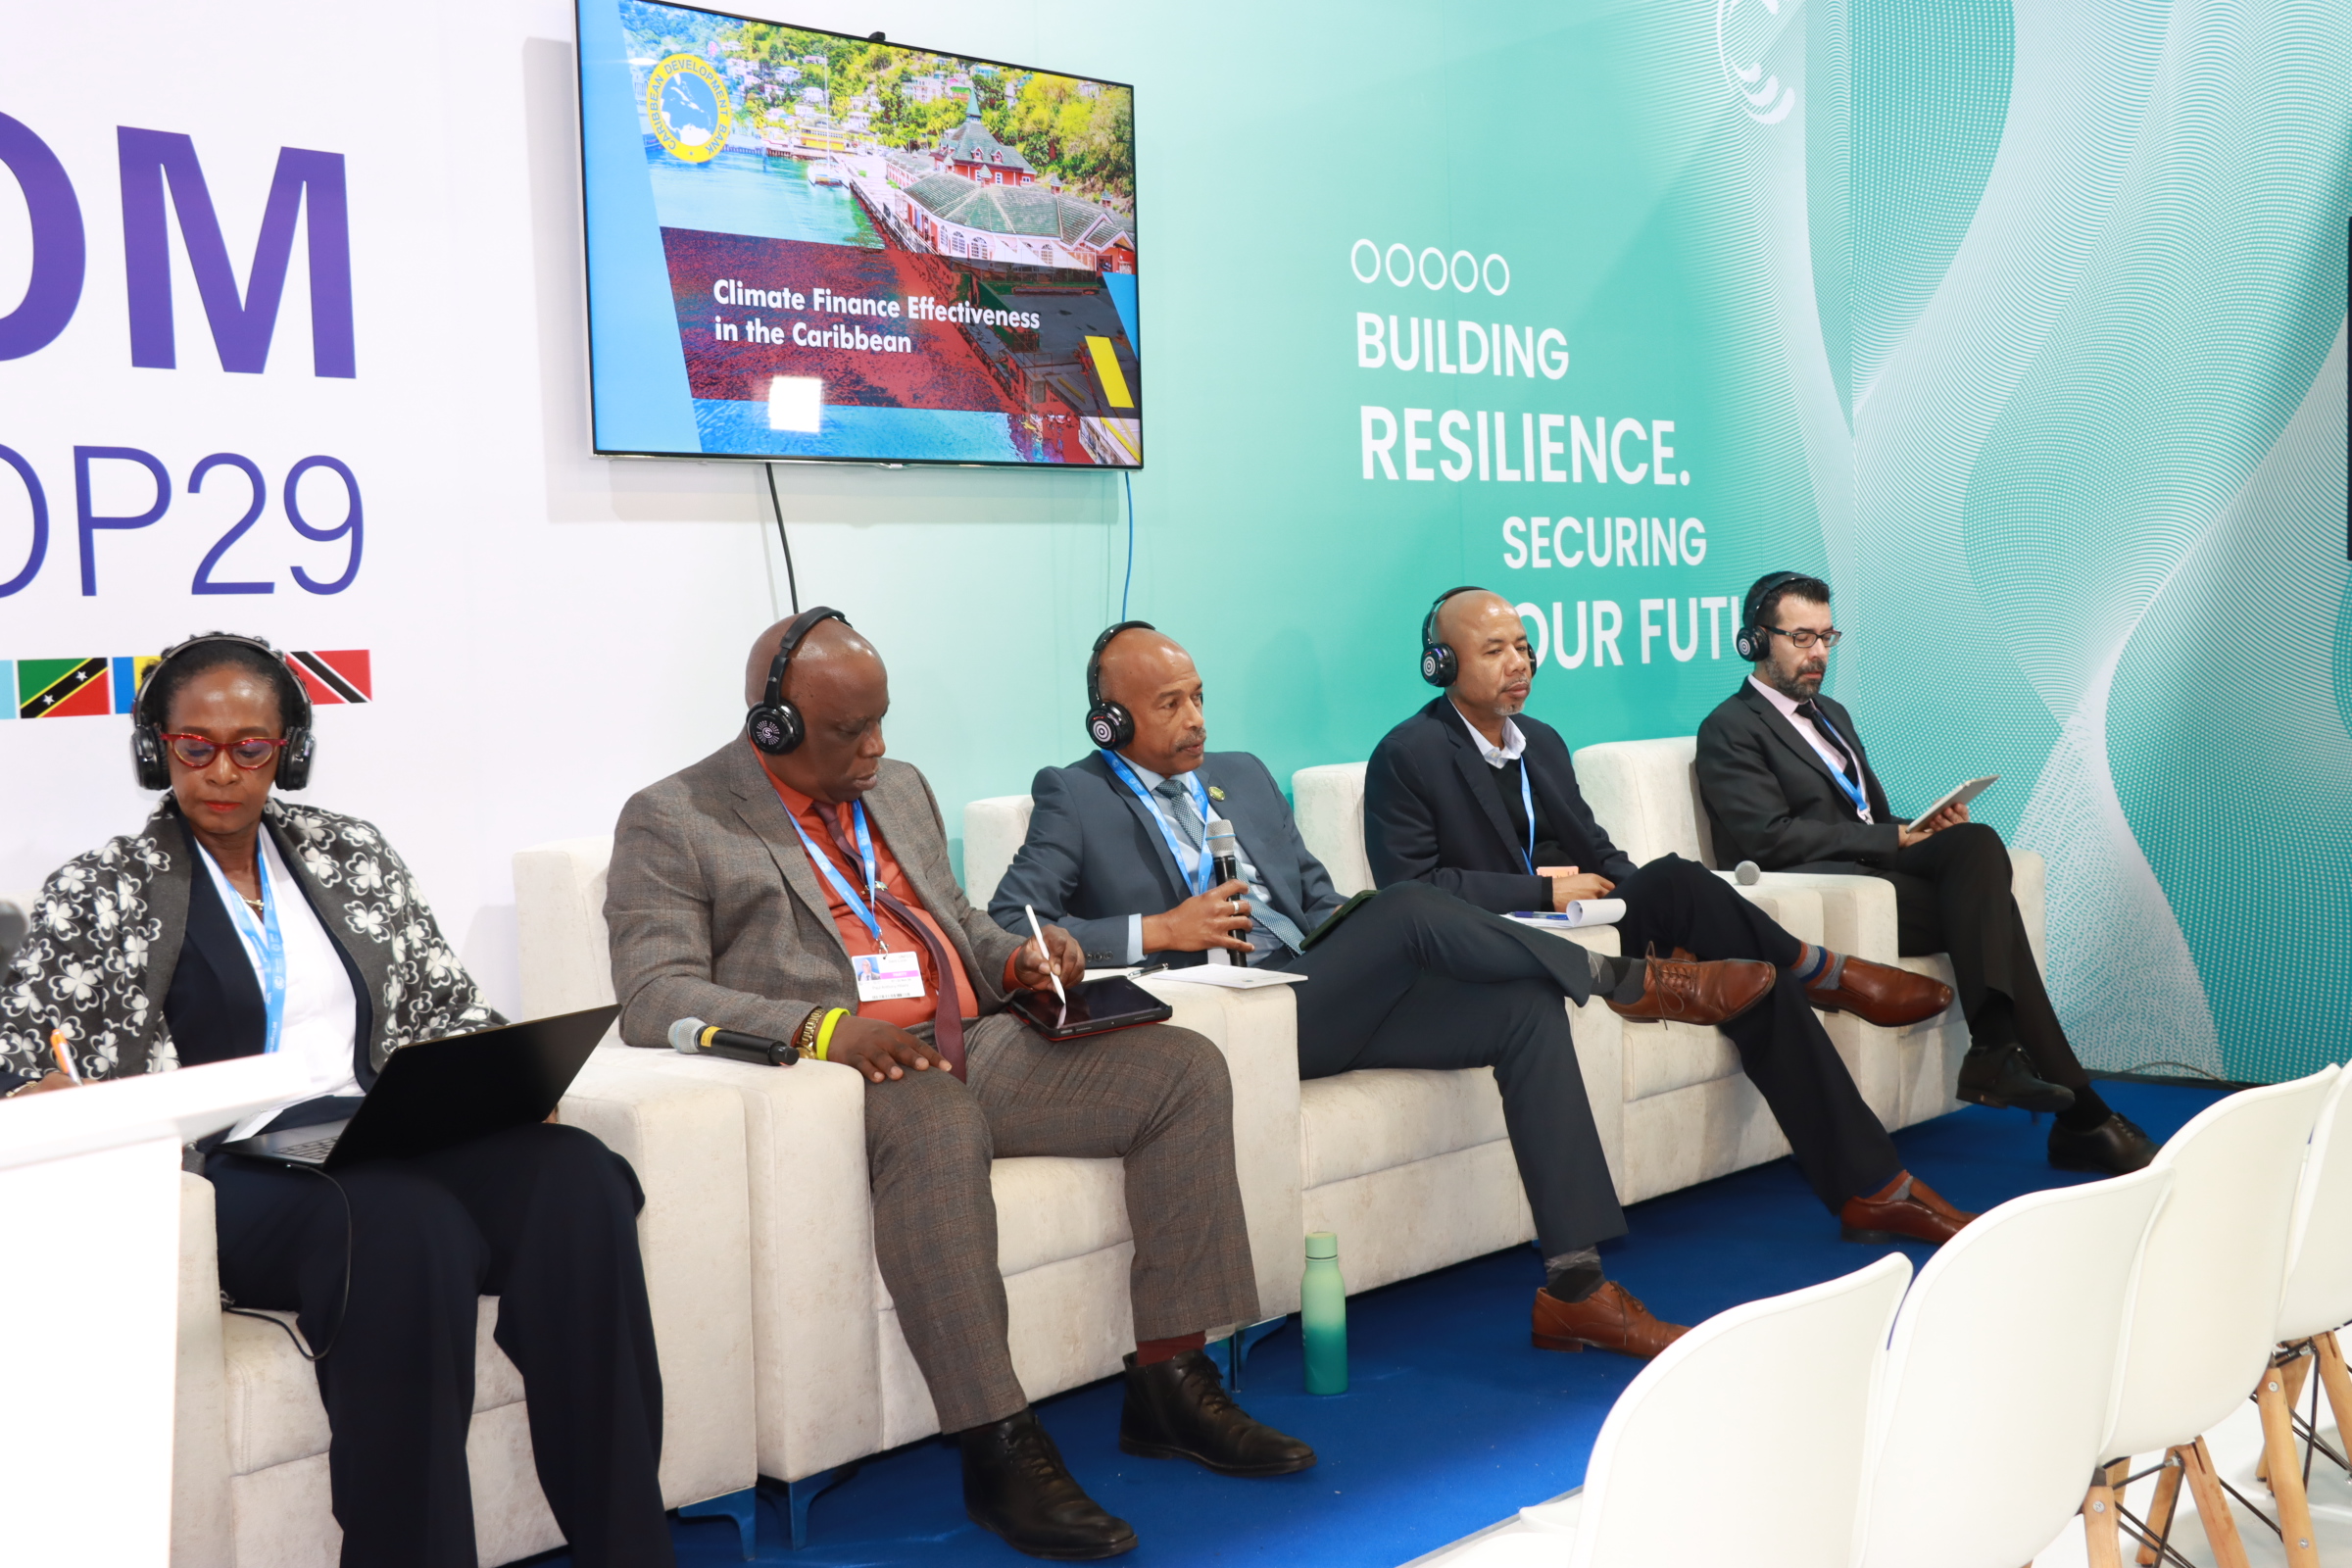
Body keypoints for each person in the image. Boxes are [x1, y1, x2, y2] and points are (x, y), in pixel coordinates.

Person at [604, 608, 1311, 1563]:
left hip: (975, 1039)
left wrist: (1018, 960)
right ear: (774, 727)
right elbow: (655, 993)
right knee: (936, 1116)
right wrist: (820, 1029)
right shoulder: (675, 817)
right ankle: (999, 1444)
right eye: (852, 731)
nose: (879, 747)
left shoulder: (898, 787)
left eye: (882, 721)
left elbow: (958, 925)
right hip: (848, 1073)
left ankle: (1169, 1381)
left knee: (1182, 1070)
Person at [0, 633, 670, 1568]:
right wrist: (46, 1087)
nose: (222, 771)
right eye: (194, 746)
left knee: (577, 1178)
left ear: (291, 751)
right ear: (155, 749)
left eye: (251, 747)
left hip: (379, 1131)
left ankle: (628, 1546)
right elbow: (24, 1061)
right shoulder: (101, 888)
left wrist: (504, 1084)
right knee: (404, 1224)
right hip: (235, 1173)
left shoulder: (352, 854)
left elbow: (447, 1004)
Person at [992, 621, 1801, 1365]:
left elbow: (1316, 897)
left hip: (1325, 987)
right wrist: (1156, 930)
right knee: (1411, 902)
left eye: (1199, 696)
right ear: (1112, 722)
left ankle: (1576, 1289)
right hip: (1235, 1022)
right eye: (1169, 704)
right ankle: (1626, 981)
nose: (1196, 717)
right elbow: (1012, 922)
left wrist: (1368, 932)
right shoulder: (1076, 794)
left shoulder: (1238, 775)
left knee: (1519, 1008)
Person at [1363, 585, 1979, 1250]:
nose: (1518, 663)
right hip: (1511, 947)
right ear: (1442, 665)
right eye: (1493, 650)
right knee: (1729, 940)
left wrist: (1638, 902)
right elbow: (1413, 892)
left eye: (1523, 646)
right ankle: (1820, 974)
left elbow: (1600, 853)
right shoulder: (1409, 754)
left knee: (1717, 932)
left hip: (1593, 922)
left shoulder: (1540, 742)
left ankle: (1872, 1188)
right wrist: (1541, 891)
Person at [1693, 572, 2158, 1175]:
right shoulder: (1730, 727)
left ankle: (2010, 1061)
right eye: (1801, 637)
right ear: (1756, 642)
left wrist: (1917, 827)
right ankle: (2075, 1107)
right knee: (1997, 922)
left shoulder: (1830, 713)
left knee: (1972, 843)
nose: (1819, 654)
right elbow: (1767, 837)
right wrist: (1890, 838)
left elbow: (1866, 815)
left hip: (1874, 871)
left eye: (1827, 637)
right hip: (1827, 890)